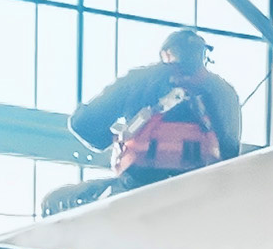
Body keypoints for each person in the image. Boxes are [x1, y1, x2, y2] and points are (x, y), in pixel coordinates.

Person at [50, 25, 248, 209]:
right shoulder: (222, 91)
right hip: (201, 194)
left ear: (165, 54)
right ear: (203, 56)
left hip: (138, 188)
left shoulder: (138, 80)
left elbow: (83, 123)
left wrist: (116, 140)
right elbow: (230, 152)